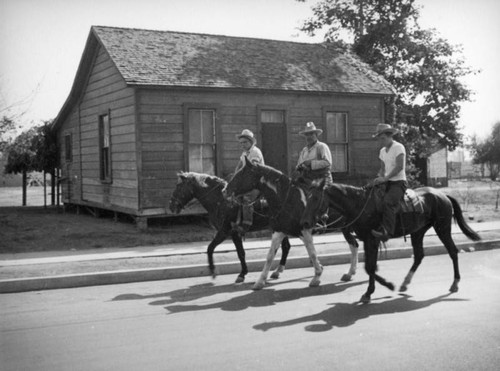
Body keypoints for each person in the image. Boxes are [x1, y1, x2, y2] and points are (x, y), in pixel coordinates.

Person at [371, 123, 408, 241]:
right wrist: (378, 178)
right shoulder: (382, 151)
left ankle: (387, 231)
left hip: (398, 183)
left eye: (383, 138)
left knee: (387, 202)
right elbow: (382, 169)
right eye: (379, 139)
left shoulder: (398, 147)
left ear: (390, 136)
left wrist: (385, 178)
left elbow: (399, 167)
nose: (381, 141)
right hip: (387, 183)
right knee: (371, 198)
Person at [233, 129, 264, 234]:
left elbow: (252, 170)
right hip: (247, 182)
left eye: (245, 142)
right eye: (241, 143)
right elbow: (240, 165)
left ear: (251, 142)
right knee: (234, 196)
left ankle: (247, 224)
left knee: (247, 198)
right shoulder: (244, 153)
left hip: (257, 182)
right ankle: (237, 221)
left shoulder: (255, 152)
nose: (243, 145)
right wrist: (235, 176)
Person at [295, 121, 333, 187]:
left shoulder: (321, 147)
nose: (309, 137)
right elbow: (299, 165)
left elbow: (328, 163)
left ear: (316, 135)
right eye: (307, 135)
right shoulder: (304, 150)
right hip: (308, 182)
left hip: (322, 181)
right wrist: (300, 167)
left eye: (311, 134)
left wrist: (311, 163)